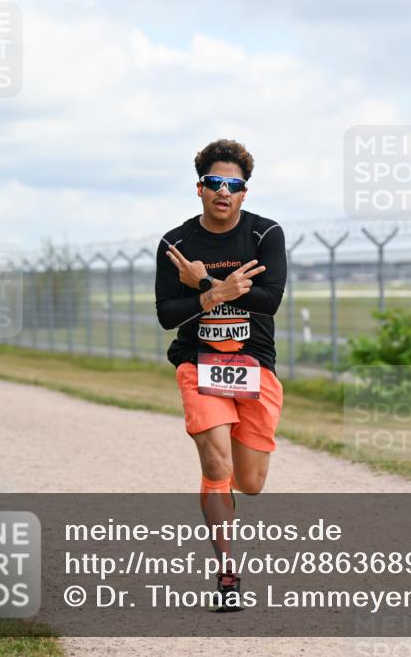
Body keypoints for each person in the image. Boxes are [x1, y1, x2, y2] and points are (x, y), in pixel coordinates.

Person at [154, 139, 287, 612]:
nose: (224, 191)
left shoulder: (264, 234)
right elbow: (168, 314)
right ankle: (227, 572)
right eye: (215, 183)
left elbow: (269, 300)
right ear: (200, 188)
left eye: (234, 184)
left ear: (245, 193)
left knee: (248, 482)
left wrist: (207, 283)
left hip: (254, 367)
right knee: (216, 465)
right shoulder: (177, 245)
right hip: (198, 363)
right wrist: (218, 295)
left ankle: (227, 495)